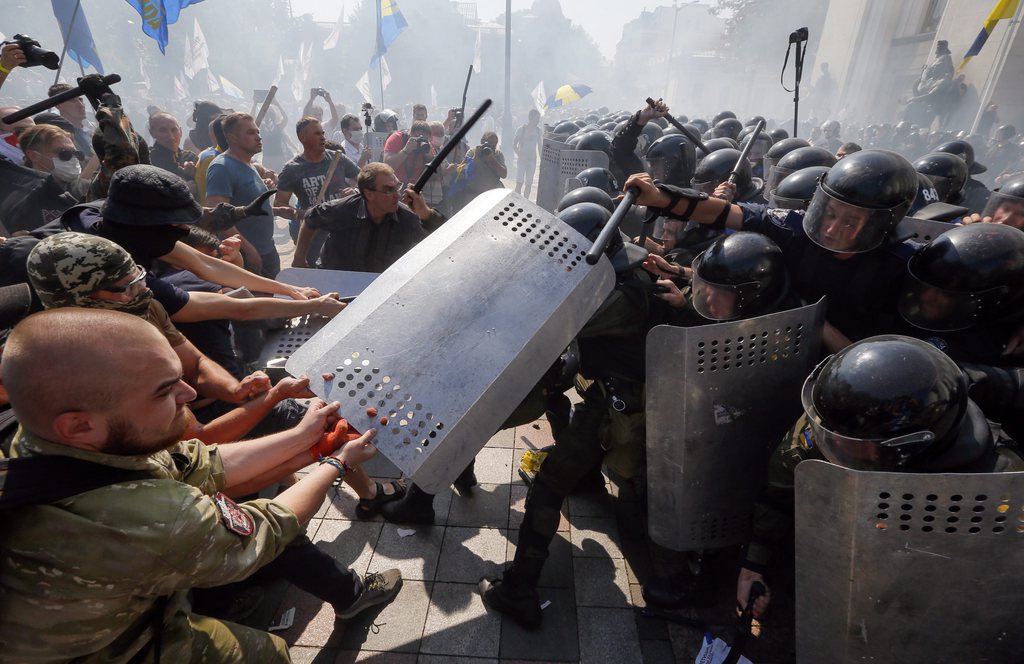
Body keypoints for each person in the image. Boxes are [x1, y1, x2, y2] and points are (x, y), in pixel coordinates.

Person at [0, 308, 403, 662]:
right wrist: (335, 463)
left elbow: (199, 462)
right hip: (111, 649)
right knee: (266, 654)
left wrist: (305, 440)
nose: (189, 393)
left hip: (120, 606)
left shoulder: (49, 441)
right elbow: (266, 528)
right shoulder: (146, 519)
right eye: (164, 391)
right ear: (78, 424)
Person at [736, 335, 1024, 619]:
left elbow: (1002, 578)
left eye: (860, 450)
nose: (833, 448)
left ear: (909, 446)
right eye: (832, 438)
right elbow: (779, 492)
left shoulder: (1001, 485)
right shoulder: (834, 427)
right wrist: (753, 566)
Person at [625, 149, 920, 352]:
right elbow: (725, 213)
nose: (831, 229)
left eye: (850, 222)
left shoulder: (903, 267)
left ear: (884, 221)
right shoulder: (795, 229)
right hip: (767, 347)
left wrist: (813, 320)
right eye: (829, 214)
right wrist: (661, 197)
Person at [295, 162, 443, 271]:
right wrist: (299, 258)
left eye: (397, 187)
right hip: (336, 282)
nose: (397, 195)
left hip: (378, 289)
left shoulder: (407, 219)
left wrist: (425, 213)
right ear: (369, 194)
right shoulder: (342, 210)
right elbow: (310, 219)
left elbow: (440, 243)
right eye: (388, 190)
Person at [206, 112, 286, 278]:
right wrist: (248, 250)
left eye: (257, 132)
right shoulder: (222, 168)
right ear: (233, 138)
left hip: (267, 249)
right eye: (251, 133)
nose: (258, 137)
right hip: (246, 256)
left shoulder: (248, 163)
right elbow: (219, 217)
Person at [275, 116, 360, 267]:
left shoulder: (337, 158)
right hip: (313, 237)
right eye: (317, 134)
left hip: (344, 231)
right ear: (303, 137)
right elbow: (279, 204)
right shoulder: (292, 169)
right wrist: (305, 214)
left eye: (322, 133)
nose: (322, 137)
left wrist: (354, 191)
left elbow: (364, 180)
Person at [6, 123, 84, 231]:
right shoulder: (20, 201)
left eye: (76, 153)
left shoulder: (87, 188)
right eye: (64, 153)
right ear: (33, 156)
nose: (73, 159)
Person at [45, 83, 93, 163]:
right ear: (59, 106)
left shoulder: (93, 127)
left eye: (80, 99)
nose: (81, 105)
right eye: (72, 101)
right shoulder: (62, 139)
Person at [148, 111, 198, 184]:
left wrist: (194, 175)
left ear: (180, 131)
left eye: (174, 130)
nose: (171, 137)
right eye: (163, 130)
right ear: (152, 133)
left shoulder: (190, 157)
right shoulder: (148, 160)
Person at [383, 120, 435, 187]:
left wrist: (431, 158)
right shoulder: (397, 138)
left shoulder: (427, 145)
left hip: (415, 186)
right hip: (394, 185)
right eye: (418, 137)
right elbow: (387, 166)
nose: (421, 140)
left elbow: (437, 175)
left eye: (424, 138)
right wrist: (406, 151)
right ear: (410, 134)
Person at [513, 109, 542, 197]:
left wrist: (542, 160)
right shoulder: (521, 129)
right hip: (522, 160)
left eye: (539, 118)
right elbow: (514, 145)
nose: (538, 120)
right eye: (536, 118)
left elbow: (540, 147)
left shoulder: (538, 131)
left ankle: (526, 202)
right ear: (531, 118)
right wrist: (520, 155)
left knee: (528, 184)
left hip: (532, 160)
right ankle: (516, 201)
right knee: (519, 183)